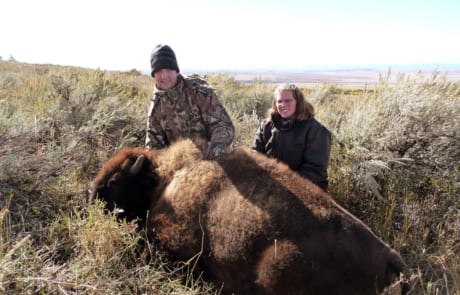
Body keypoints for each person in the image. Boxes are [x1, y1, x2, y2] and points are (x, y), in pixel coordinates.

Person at [145, 44, 234, 158]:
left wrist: (214, 149)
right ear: (153, 75)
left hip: (212, 159)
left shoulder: (200, 93)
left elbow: (224, 126)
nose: (164, 76)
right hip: (179, 167)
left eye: (168, 70)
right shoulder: (156, 108)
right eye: (158, 71)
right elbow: (153, 149)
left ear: (176, 71)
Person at [251, 83, 331, 191]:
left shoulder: (315, 130)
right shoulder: (266, 126)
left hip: (306, 189)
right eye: (279, 101)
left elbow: (316, 171)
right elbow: (255, 154)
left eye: (288, 101)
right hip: (271, 184)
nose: (283, 105)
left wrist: (283, 180)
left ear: (299, 102)